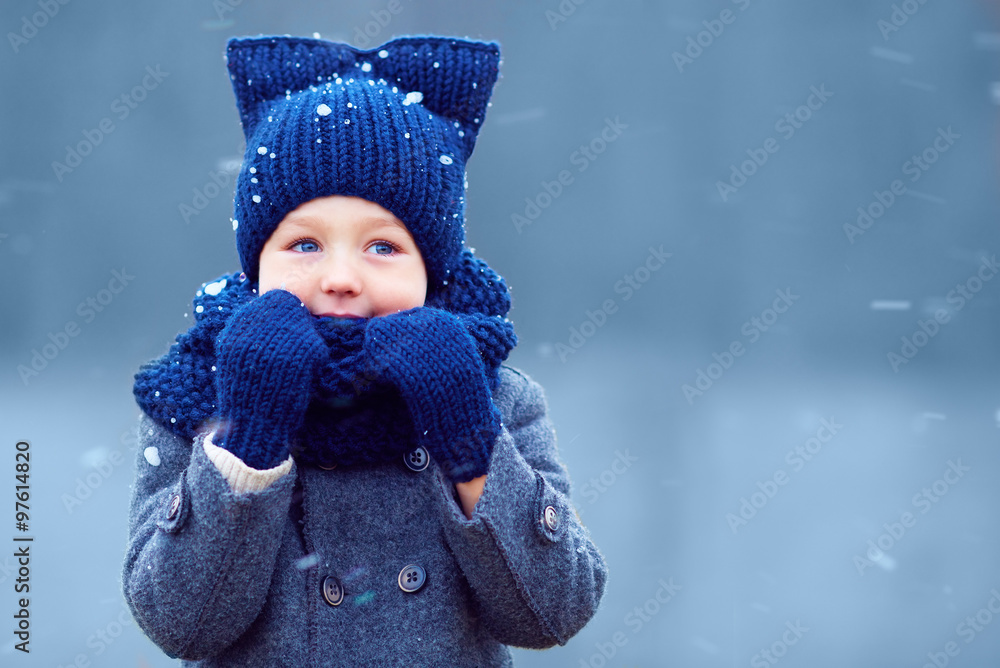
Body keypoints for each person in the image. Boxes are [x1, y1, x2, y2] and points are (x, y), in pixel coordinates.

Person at [122, 34, 607, 666]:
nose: (341, 277)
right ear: (256, 266)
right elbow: (179, 624)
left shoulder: (494, 395)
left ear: (431, 270)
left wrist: (465, 434)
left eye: (382, 247)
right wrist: (249, 435)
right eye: (303, 245)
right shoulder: (198, 396)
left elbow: (554, 611)